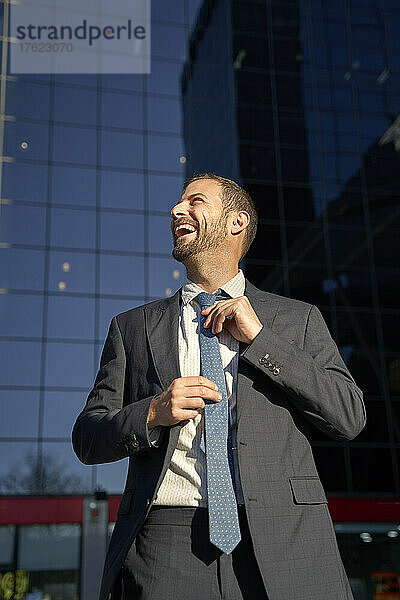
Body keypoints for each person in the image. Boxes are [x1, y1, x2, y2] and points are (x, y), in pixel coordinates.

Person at [72, 173, 366, 600]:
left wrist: (262, 340)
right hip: (165, 546)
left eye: (195, 201)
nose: (176, 210)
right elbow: (88, 436)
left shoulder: (297, 319)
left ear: (236, 222)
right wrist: (152, 413)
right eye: (177, 203)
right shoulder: (131, 328)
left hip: (287, 540)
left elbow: (349, 416)